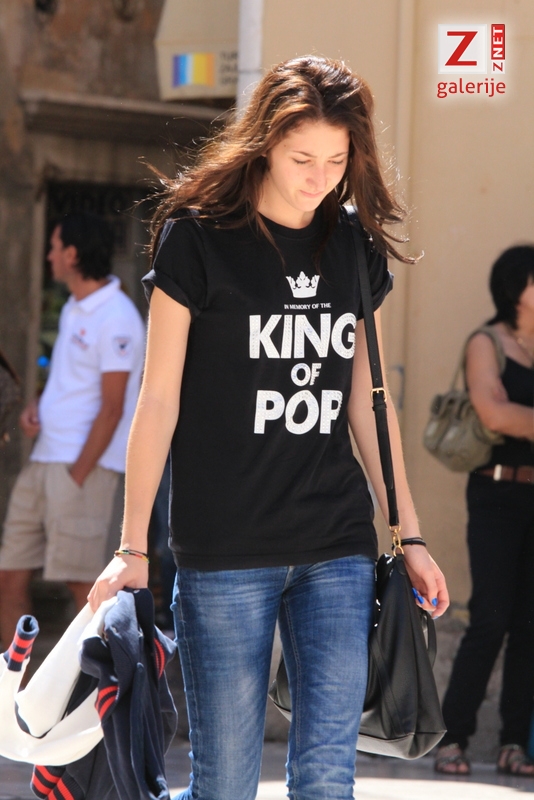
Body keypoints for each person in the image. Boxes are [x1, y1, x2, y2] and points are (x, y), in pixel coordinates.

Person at [89, 56, 449, 800]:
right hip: (225, 548)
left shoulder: (353, 246)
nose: (319, 179)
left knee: (326, 777)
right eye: (301, 158)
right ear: (263, 146)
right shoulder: (197, 240)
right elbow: (157, 401)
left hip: (336, 545)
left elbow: (369, 404)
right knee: (224, 785)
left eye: (336, 161)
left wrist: (409, 536)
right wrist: (132, 548)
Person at [0, 212, 145, 644]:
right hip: (43, 460)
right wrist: (37, 406)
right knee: (8, 578)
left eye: (54, 247)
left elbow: (113, 408)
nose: (48, 256)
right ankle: (15, 685)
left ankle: (122, 680)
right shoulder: (72, 306)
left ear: (73, 254)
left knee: (86, 589)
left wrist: (77, 475)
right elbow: (69, 382)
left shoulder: (117, 316)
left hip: (81, 471)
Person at [435, 246, 534, 776]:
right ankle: (452, 738)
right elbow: (494, 415)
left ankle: (513, 744)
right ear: (515, 289)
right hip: (495, 497)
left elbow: (513, 414)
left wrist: (521, 414)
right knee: (490, 618)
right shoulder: (486, 341)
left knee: (530, 625)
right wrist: (510, 413)